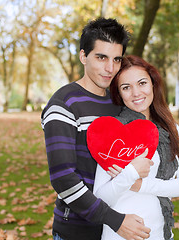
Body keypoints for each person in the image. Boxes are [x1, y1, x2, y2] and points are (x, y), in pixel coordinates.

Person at [41, 18, 152, 240]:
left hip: (122, 229)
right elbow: (63, 178)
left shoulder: (120, 101)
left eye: (116, 59)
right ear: (83, 56)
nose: (110, 68)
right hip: (78, 231)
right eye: (101, 57)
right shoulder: (64, 104)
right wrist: (115, 220)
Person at [93, 55, 179, 240]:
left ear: (153, 84)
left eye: (142, 83)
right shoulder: (113, 132)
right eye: (126, 87)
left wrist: (139, 184)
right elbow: (100, 198)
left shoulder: (170, 128)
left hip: (162, 234)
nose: (136, 93)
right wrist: (131, 173)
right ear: (119, 93)